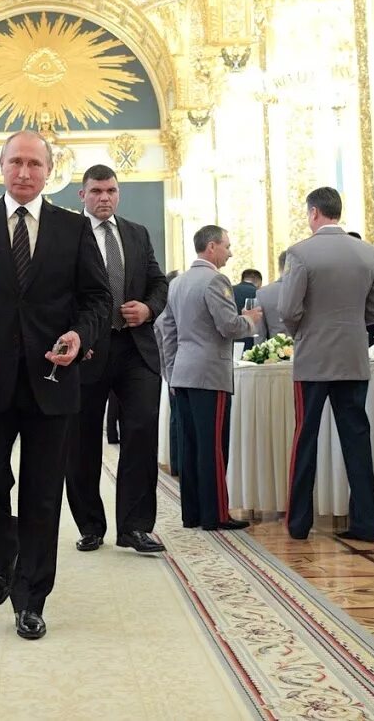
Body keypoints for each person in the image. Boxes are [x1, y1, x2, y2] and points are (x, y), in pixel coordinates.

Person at [0, 130, 110, 641]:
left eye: (35, 163)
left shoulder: (74, 229)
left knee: (42, 495)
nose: (25, 172)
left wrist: (82, 333)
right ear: (1, 165)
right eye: (16, 162)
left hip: (53, 380)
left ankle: (31, 598)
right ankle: (6, 549)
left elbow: (98, 298)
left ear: (49, 170)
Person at [67, 165, 169, 555]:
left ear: (118, 193)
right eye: (96, 191)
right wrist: (79, 336)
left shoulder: (136, 233)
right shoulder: (68, 234)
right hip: (88, 350)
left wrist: (148, 308)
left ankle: (135, 527)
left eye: (110, 190)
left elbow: (159, 283)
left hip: (135, 349)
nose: (104, 198)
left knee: (141, 432)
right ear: (82, 195)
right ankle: (90, 526)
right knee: (81, 442)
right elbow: (57, 293)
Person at [280, 187, 374, 542]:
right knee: (357, 438)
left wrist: (304, 330)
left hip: (313, 357)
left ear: (313, 213)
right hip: (353, 356)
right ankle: (366, 523)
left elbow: (288, 310)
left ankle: (299, 523)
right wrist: (354, 324)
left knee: (305, 437)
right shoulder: (368, 253)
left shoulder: (300, 253)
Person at [155, 226, 260, 531]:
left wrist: (172, 374)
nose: (230, 252)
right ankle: (216, 514)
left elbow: (167, 334)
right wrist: (250, 321)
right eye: (227, 246)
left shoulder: (177, 283)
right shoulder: (216, 280)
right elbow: (228, 326)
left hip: (184, 374)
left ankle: (193, 513)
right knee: (213, 445)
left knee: (190, 444)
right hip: (209, 375)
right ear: (211, 247)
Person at [255, 252, 289, 339]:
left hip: (276, 349)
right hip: (307, 350)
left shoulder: (262, 293)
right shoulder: (309, 291)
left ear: (279, 268)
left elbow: (260, 333)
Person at [232, 269, 262, 350]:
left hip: (231, 340)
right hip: (251, 340)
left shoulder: (229, 290)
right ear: (259, 282)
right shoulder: (259, 292)